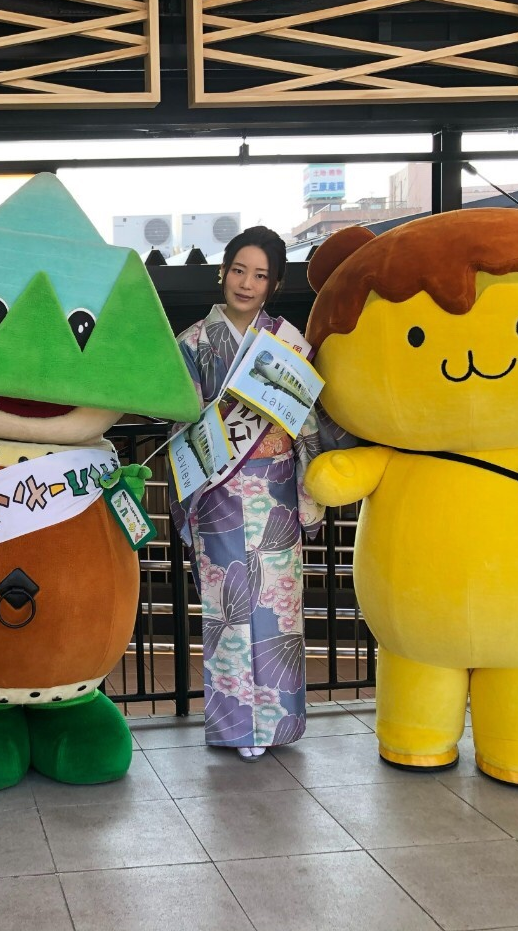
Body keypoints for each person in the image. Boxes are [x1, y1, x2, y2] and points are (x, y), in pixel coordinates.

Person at [169, 226, 347, 761]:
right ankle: (237, 727)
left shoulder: (286, 342)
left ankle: (278, 724)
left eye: (260, 275)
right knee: (228, 610)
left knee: (276, 610)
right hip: (219, 487)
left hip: (276, 487)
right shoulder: (194, 341)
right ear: (223, 271)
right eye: (239, 270)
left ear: (274, 284)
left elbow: (309, 419)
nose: (247, 283)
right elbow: (180, 418)